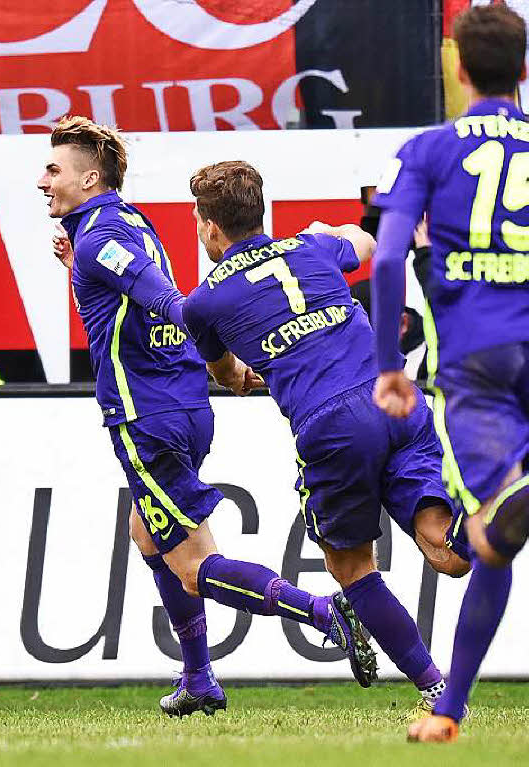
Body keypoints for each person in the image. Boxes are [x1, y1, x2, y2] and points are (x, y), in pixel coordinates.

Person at [40, 115, 378, 718]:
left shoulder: (99, 240)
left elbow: (166, 300)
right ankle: (198, 677)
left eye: (54, 169)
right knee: (147, 532)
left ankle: (325, 612)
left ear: (89, 177)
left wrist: (91, 263)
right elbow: (137, 308)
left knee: (191, 565)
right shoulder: (125, 223)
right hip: (183, 402)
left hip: (145, 414)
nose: (43, 181)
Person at [180, 160, 470, 716]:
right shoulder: (309, 250)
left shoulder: (204, 303)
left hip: (334, 424)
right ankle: (492, 510)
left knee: (349, 566)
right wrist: (328, 232)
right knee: (447, 553)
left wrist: (250, 374)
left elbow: (225, 375)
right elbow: (363, 241)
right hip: (395, 397)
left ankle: (436, 686)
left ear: (211, 226)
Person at [370, 4, 529, 743]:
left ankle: (448, 711)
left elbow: (387, 256)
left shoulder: (430, 149)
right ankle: (445, 711)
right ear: (524, 70)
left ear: (458, 70)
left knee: (491, 533)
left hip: (475, 365)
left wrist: (385, 368)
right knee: (490, 538)